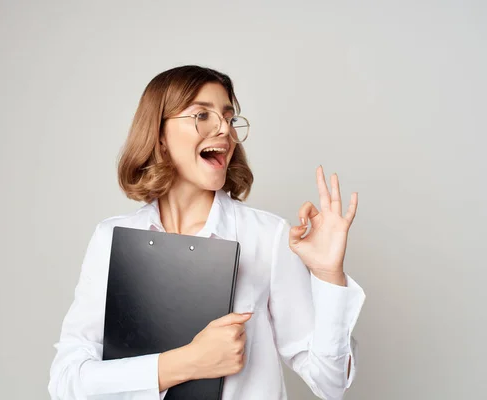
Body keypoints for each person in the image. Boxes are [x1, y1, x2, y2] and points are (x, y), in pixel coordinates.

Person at [48, 65, 366, 400]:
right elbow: (67, 383)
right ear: (159, 134)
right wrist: (188, 362)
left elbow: (331, 383)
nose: (224, 130)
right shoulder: (111, 238)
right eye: (202, 114)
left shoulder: (267, 237)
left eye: (228, 118)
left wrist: (329, 275)